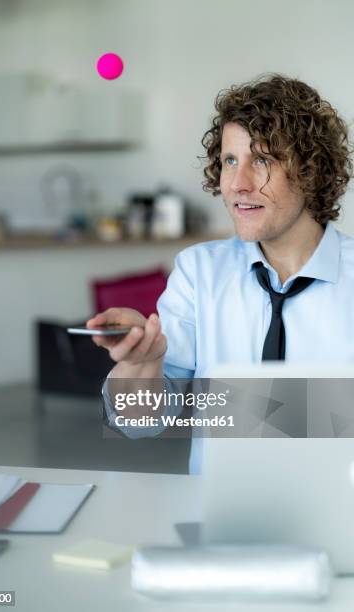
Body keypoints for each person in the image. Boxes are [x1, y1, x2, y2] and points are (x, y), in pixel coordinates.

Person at [87, 74, 354, 473]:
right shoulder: (199, 272)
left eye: (262, 160)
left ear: (311, 172)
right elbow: (139, 422)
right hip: (222, 518)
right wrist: (143, 364)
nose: (238, 184)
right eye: (230, 161)